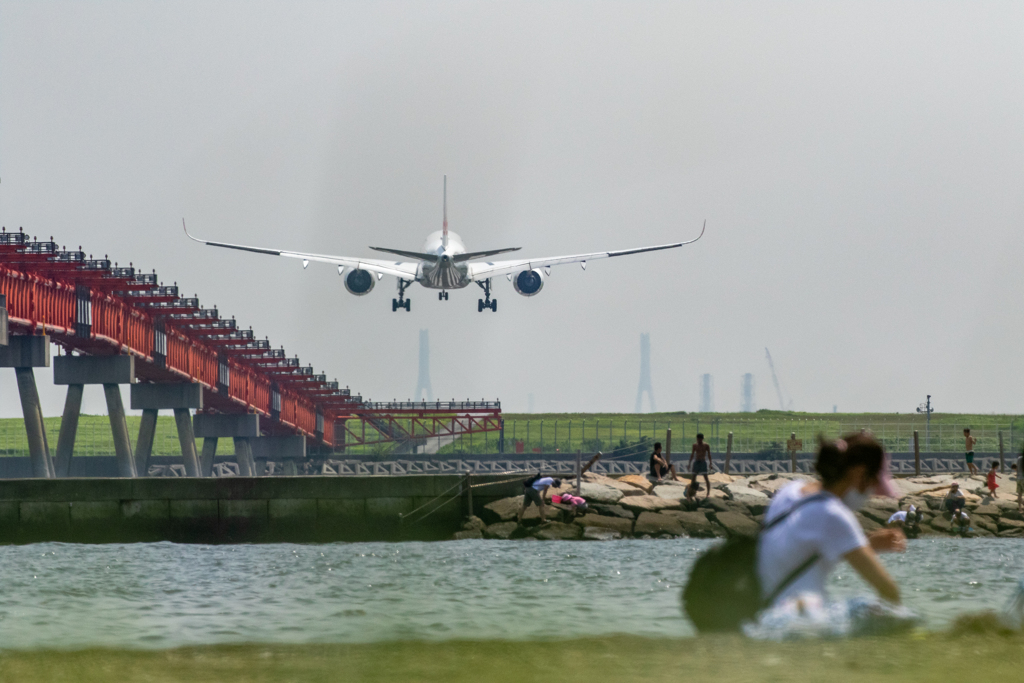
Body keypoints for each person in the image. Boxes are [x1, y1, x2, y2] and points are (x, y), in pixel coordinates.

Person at [751, 433, 908, 637]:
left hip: (761, 613)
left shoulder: (790, 491)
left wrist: (867, 543)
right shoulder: (834, 514)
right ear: (859, 474)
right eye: (871, 485)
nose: (871, 493)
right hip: (795, 623)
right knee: (897, 615)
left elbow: (799, 549)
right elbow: (889, 591)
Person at [689, 433, 712, 499]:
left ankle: (708, 493)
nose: (699, 440)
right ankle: (692, 492)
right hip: (696, 462)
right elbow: (692, 454)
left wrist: (710, 463)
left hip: (703, 462)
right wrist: (689, 463)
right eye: (698, 439)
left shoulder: (706, 445)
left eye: (700, 439)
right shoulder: (695, 445)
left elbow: (709, 455)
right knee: (693, 478)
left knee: (706, 478)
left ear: (702, 439)